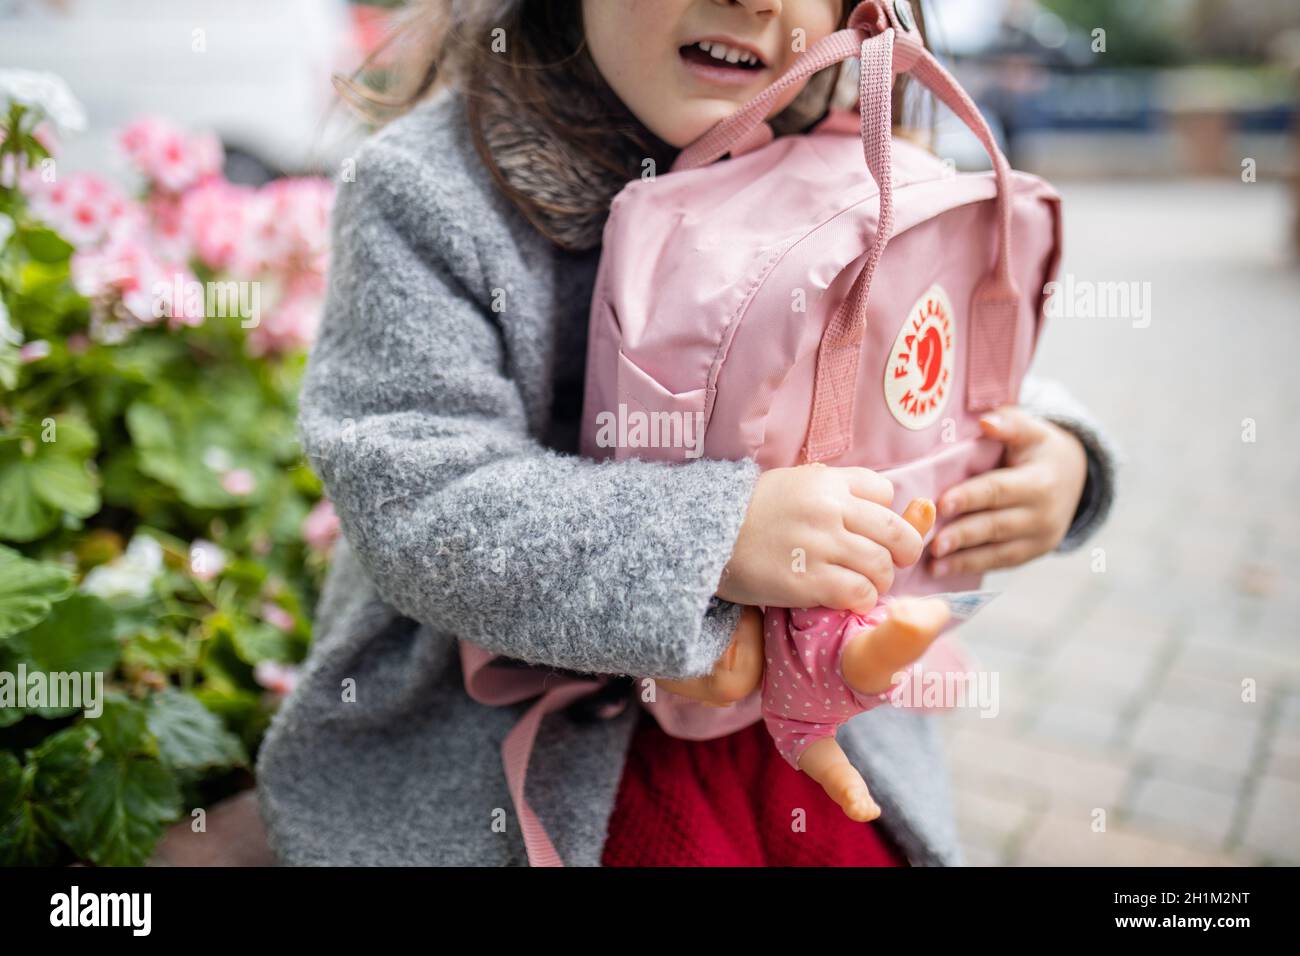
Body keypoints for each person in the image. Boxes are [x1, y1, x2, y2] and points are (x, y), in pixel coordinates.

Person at [256, 0, 1118, 867]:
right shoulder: (432, 190)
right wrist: (719, 534)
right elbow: (421, 497)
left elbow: (929, 360)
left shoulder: (851, 152)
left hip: (802, 721)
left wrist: (1057, 451)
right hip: (532, 742)